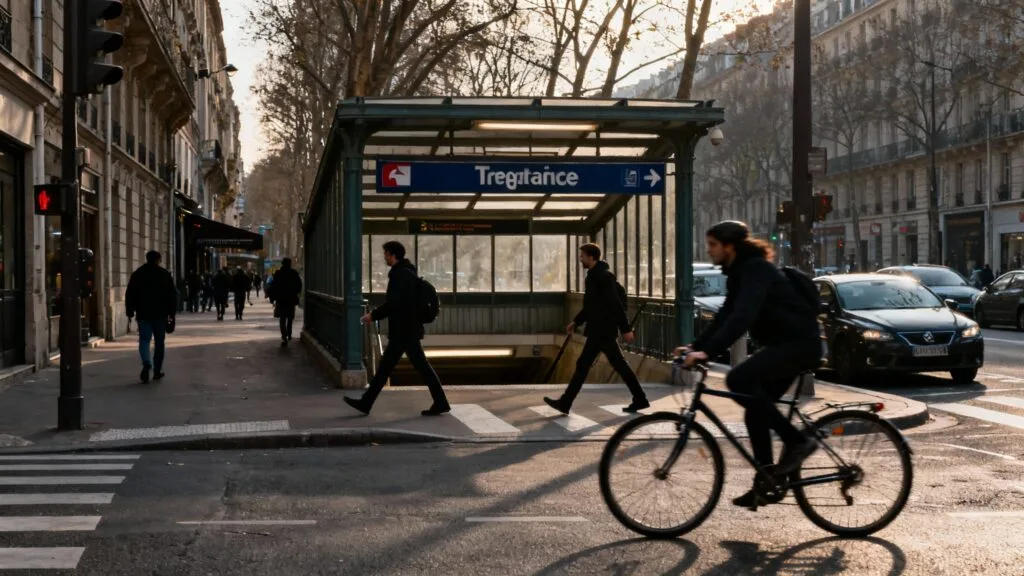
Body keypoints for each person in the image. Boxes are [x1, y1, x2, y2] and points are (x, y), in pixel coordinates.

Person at [677, 221, 821, 509]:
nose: (710, 251)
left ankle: (797, 442)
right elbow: (724, 316)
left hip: (798, 346)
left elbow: (742, 317)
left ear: (729, 246)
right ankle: (766, 482)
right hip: (785, 346)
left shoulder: (756, 270)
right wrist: (696, 347)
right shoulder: (739, 274)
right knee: (754, 408)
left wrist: (709, 353)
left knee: (738, 381)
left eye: (713, 245)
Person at [344, 240, 450, 416]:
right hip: (407, 329)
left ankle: (366, 403)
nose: (384, 257)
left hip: (404, 330)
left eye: (386, 254)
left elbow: (395, 303)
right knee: (397, 368)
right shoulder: (407, 273)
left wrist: (374, 315)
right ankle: (366, 402)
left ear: (393, 255)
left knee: (396, 368)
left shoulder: (400, 275)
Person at [543, 243, 648, 414]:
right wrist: (576, 322)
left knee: (586, 365)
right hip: (599, 330)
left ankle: (565, 402)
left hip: (602, 330)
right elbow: (591, 306)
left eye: (582, 256)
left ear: (591, 257)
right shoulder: (595, 276)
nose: (580, 258)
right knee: (609, 365)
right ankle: (640, 398)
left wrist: (626, 329)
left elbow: (615, 304)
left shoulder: (602, 277)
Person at [125, 250, 178, 383]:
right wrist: (172, 313)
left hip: (143, 313)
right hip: (160, 314)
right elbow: (172, 295)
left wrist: (130, 311)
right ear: (158, 260)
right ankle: (157, 370)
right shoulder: (164, 274)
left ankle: (146, 362)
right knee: (159, 342)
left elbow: (130, 293)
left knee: (144, 340)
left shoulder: (138, 274)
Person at [268, 258, 302, 346]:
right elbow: (299, 285)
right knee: (290, 317)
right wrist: (295, 292)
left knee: (282, 318)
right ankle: (289, 333)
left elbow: (274, 286)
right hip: (291, 299)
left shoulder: (278, 273)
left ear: (282, 264)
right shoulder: (294, 273)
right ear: (290, 264)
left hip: (281, 299)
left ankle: (284, 336)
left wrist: (272, 298)